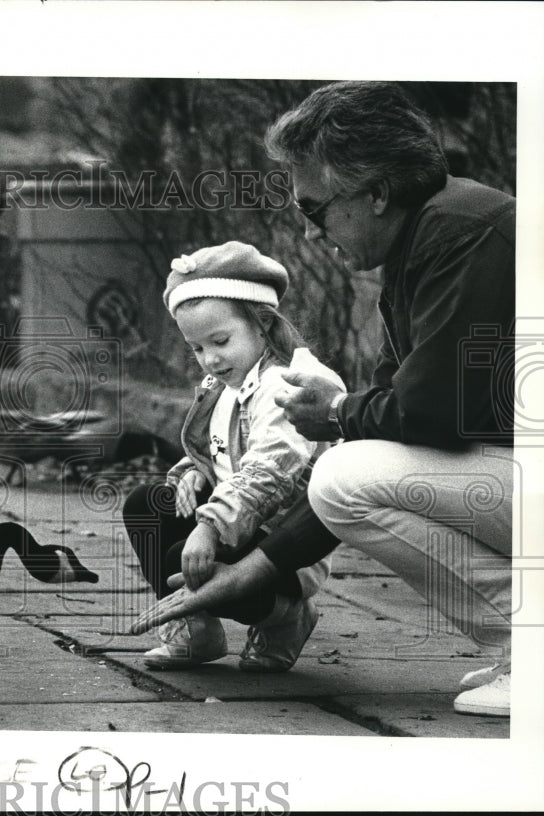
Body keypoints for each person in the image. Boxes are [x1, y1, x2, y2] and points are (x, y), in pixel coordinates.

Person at [135, 81, 515, 717]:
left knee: (346, 472)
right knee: (349, 472)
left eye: (315, 211)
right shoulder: (429, 242)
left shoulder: (464, 234)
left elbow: (432, 416)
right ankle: (518, 647)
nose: (311, 235)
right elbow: (403, 423)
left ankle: (529, 645)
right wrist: (256, 567)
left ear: (376, 192)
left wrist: (337, 414)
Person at [122, 241, 344, 672]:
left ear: (262, 324)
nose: (210, 358)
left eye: (220, 340)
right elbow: (215, 449)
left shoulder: (287, 386)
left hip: (284, 545)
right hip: (236, 520)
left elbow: (268, 472)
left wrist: (207, 527)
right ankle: (198, 631)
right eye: (197, 348)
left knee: (185, 560)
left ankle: (286, 618)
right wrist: (193, 473)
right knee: (146, 505)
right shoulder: (222, 386)